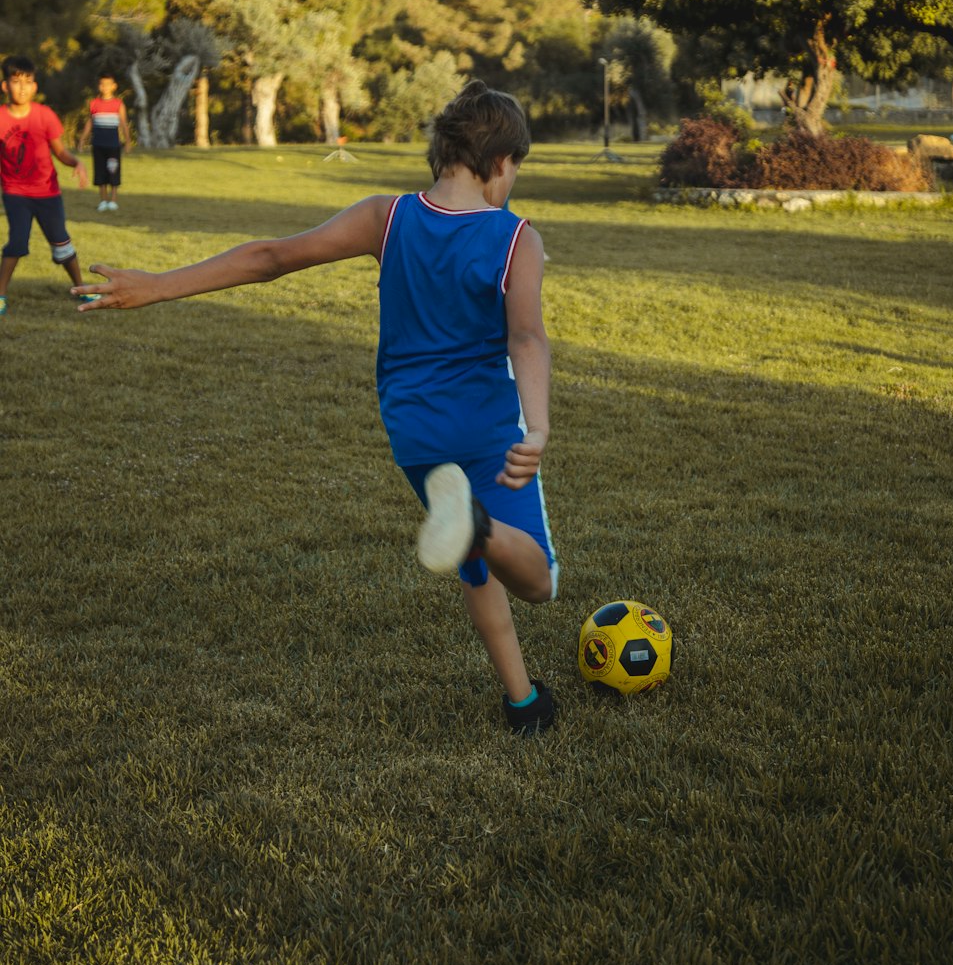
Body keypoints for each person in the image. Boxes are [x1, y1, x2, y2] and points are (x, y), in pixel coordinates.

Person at [75, 80, 559, 735]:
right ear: (501, 161)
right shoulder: (514, 238)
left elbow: (270, 257)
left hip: (413, 432)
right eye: (517, 170)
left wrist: (159, 285)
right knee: (534, 581)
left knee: (478, 572)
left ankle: (523, 701)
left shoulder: (385, 217)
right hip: (485, 427)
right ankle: (476, 530)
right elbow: (525, 336)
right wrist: (538, 423)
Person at [0, 56, 95, 316]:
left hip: (47, 193)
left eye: (27, 82)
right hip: (15, 192)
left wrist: (77, 163)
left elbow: (60, 153)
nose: (22, 87)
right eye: (16, 81)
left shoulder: (45, 116)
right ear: (5, 85)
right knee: (17, 242)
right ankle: (1, 295)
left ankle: (81, 287)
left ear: (35, 86)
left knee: (62, 244)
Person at [79, 70, 131, 210]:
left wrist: (127, 142)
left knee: (113, 171)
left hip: (113, 145)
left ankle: (113, 200)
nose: (105, 87)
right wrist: (82, 140)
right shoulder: (94, 104)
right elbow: (90, 122)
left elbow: (124, 124)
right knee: (100, 172)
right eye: (102, 84)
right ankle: (103, 200)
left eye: (108, 84)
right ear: (99, 86)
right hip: (98, 144)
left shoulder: (118, 104)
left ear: (114, 86)